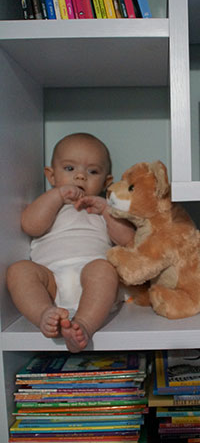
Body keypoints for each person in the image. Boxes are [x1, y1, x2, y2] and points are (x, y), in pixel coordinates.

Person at [6, 133, 134, 353]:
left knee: (103, 269)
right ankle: (44, 314)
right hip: (50, 282)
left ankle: (84, 325)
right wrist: (56, 196)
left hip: (91, 279)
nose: (80, 177)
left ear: (106, 182)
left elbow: (129, 241)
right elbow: (30, 225)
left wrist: (106, 210)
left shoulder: (103, 210)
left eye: (92, 171)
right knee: (18, 271)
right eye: (69, 169)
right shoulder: (49, 204)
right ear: (51, 175)